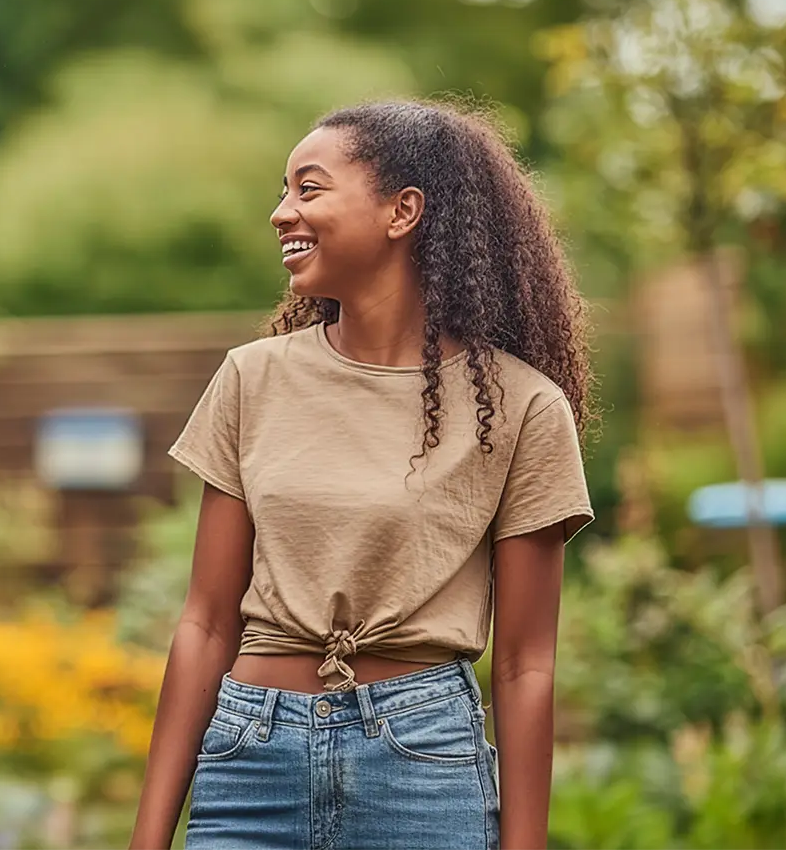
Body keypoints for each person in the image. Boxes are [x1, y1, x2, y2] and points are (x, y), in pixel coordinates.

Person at [128, 99, 594, 850]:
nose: (281, 212)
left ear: (401, 211)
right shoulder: (251, 378)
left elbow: (523, 664)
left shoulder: (520, 407)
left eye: (308, 188)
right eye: (283, 191)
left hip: (421, 769)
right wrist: (148, 838)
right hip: (249, 765)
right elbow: (206, 623)